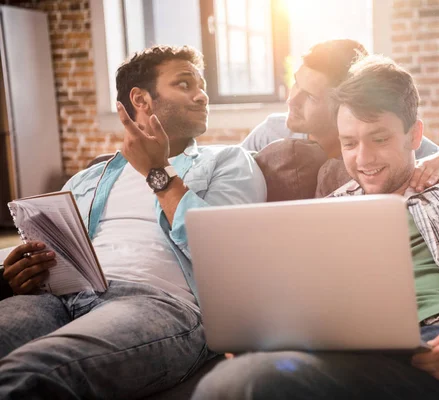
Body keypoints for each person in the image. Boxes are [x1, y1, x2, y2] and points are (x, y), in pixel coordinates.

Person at [193, 55, 439, 399]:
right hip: (369, 367)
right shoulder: (325, 213)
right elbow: (299, 310)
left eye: (379, 138)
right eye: (350, 143)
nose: (364, 158)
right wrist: (263, 333)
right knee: (232, 384)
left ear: (414, 135)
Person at [0, 45, 266, 399]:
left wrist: (158, 172)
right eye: (185, 84)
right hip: (60, 298)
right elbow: (55, 250)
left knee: (25, 375)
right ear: (141, 99)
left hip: (158, 303)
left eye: (201, 85)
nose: (202, 95)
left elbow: (228, 254)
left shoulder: (227, 161)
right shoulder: (87, 178)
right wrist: (21, 271)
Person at [241, 39, 439, 192]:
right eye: (296, 84)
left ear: (346, 103)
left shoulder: (391, 143)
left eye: (311, 96)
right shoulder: (271, 133)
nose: (292, 100)